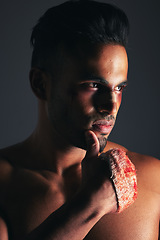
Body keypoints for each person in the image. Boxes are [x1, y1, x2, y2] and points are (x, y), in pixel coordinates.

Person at [0, 0, 160, 239]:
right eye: (94, 85)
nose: (111, 105)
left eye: (119, 88)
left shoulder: (153, 178)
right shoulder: (4, 186)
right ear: (41, 84)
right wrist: (90, 205)